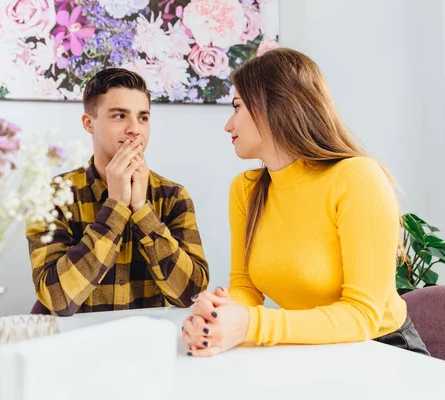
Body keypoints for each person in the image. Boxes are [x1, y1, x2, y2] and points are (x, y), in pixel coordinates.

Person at [181, 48, 429, 356]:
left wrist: (250, 323)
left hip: (384, 350)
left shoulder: (357, 177)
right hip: (312, 350)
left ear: (272, 107)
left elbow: (363, 316)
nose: (228, 125)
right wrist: (217, 315)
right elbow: (245, 288)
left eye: (236, 107)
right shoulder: (245, 190)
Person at [26, 68, 209, 316]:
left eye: (143, 118)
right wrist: (115, 206)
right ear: (88, 123)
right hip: (72, 344)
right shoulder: (51, 195)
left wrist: (142, 210)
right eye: (119, 116)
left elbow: (191, 295)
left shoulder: (173, 196)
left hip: (143, 343)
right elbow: (57, 299)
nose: (135, 129)